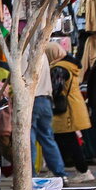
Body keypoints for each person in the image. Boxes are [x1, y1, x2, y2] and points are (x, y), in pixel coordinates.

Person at [49, 44, 95, 183]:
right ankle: (60, 171)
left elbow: (55, 89)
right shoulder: (69, 65)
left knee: (67, 141)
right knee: (64, 140)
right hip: (72, 107)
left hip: (65, 110)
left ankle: (82, 171)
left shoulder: (58, 68)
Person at [29, 43, 68, 179]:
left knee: (29, 139)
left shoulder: (24, 55)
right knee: (47, 138)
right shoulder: (42, 54)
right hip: (45, 100)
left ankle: (30, 176)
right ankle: (60, 173)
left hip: (32, 100)